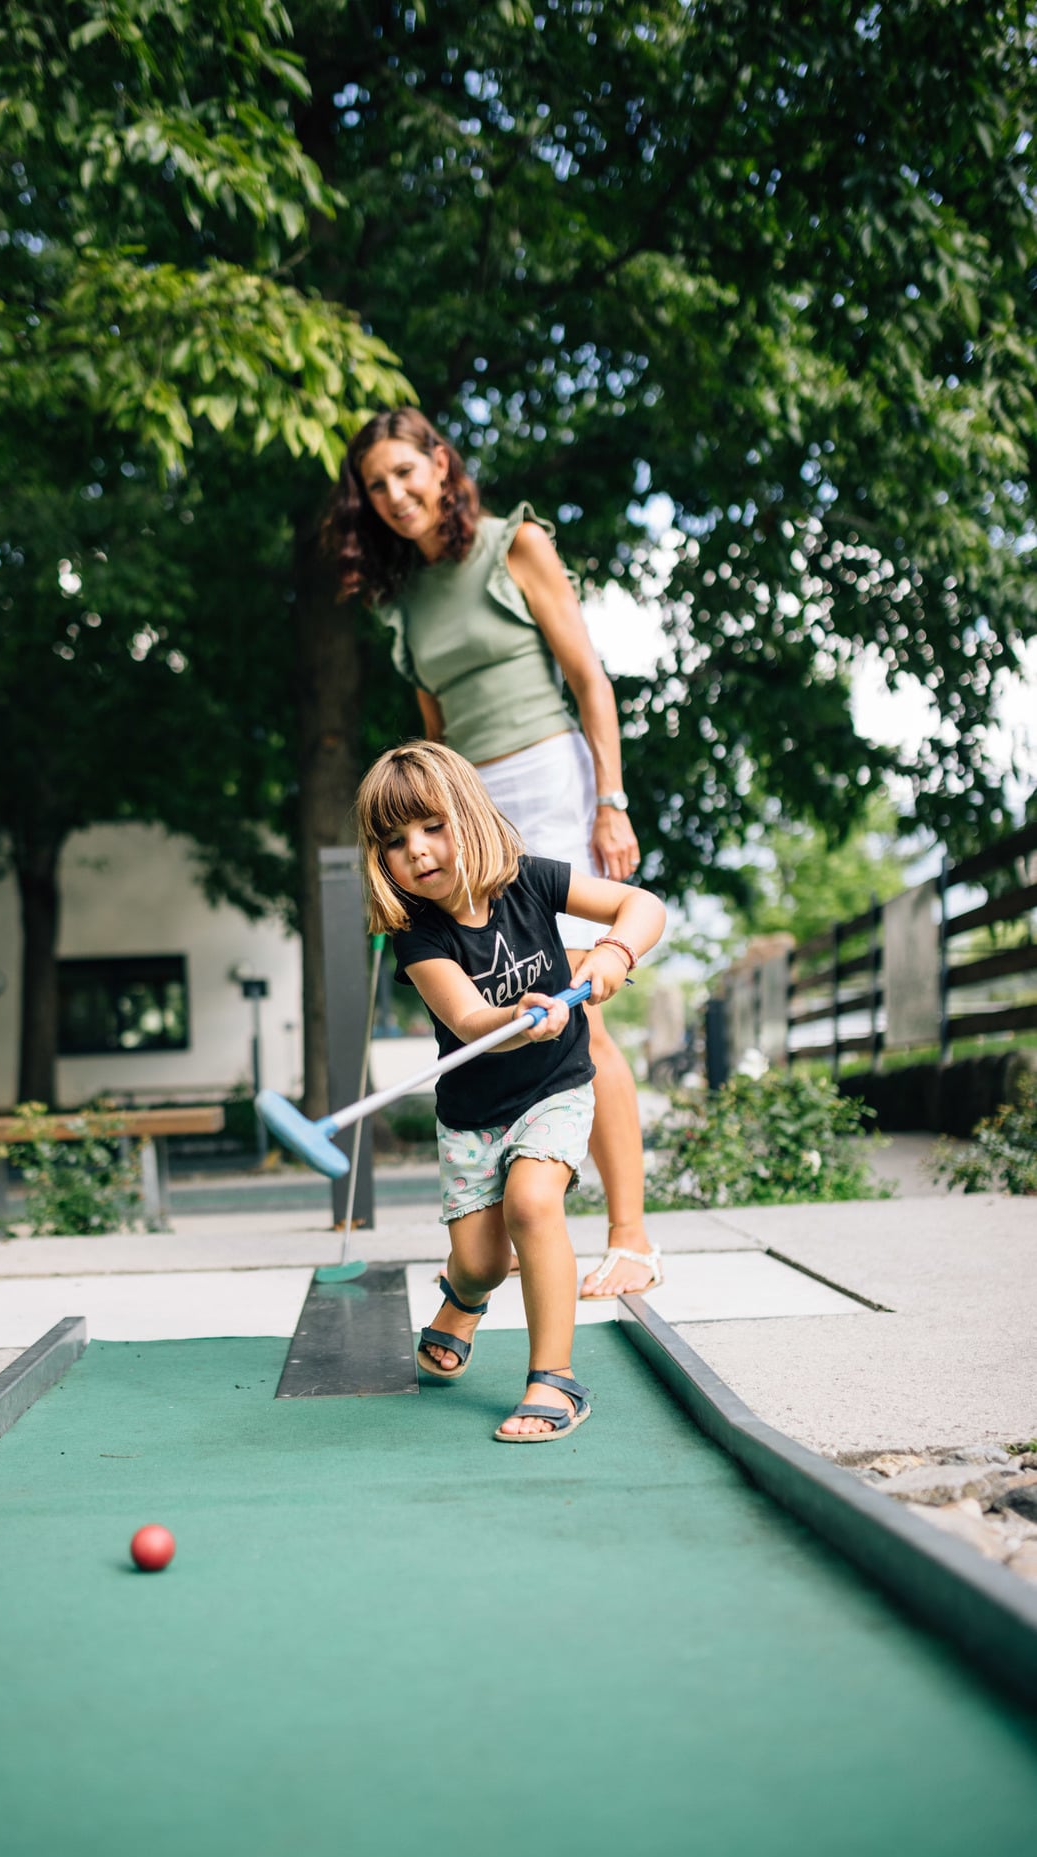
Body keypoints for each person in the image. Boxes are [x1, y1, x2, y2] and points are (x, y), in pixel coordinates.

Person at [326, 408, 663, 1298]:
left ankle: (630, 1237)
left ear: (441, 464)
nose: (394, 494)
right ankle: (516, 1214)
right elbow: (435, 735)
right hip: (465, 807)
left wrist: (611, 800)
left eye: (405, 472)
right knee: (500, 1004)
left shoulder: (515, 544)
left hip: (550, 779)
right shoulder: (401, 599)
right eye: (376, 485)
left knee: (581, 1008)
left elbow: (588, 677)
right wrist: (432, 832)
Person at [355, 741, 667, 1442]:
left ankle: (554, 1380)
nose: (417, 850)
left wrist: (614, 951)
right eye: (395, 841)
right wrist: (517, 1018)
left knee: (532, 1203)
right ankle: (463, 1298)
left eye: (432, 826)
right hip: (473, 1118)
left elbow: (640, 904)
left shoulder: (531, 880)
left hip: (555, 1089)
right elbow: (469, 1021)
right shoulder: (418, 936)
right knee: (482, 1262)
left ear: (468, 816)